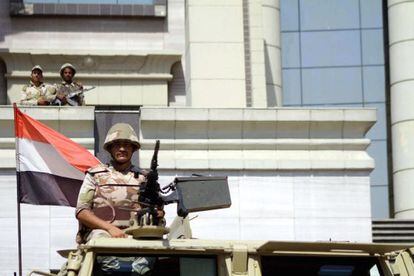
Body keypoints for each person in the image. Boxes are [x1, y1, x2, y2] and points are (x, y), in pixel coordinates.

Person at [75, 123, 164, 274]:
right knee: (101, 244)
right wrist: (110, 228)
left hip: (138, 236)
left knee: (150, 255)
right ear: (110, 149)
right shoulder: (95, 175)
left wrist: (158, 214)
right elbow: (82, 211)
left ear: (133, 149)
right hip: (103, 233)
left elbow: (159, 216)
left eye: (127, 145)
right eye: (117, 145)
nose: (122, 149)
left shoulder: (145, 178)